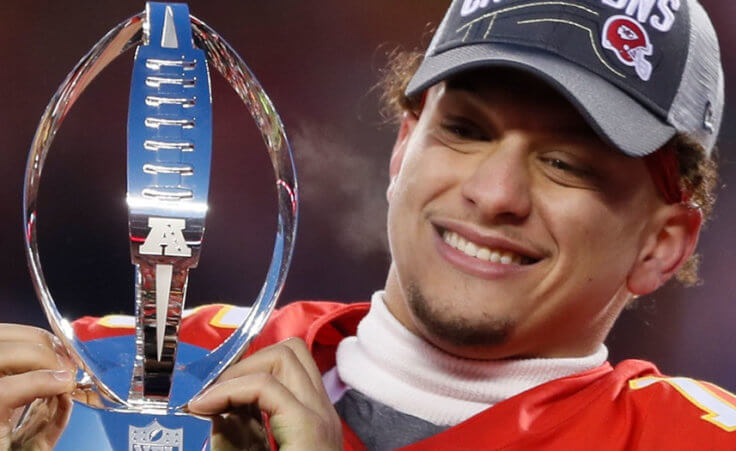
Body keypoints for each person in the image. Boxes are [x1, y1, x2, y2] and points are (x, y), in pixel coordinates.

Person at [1, 0, 733, 449]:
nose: (494, 191)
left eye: (566, 164)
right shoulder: (118, 375)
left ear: (662, 244)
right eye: (467, 131)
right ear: (403, 146)